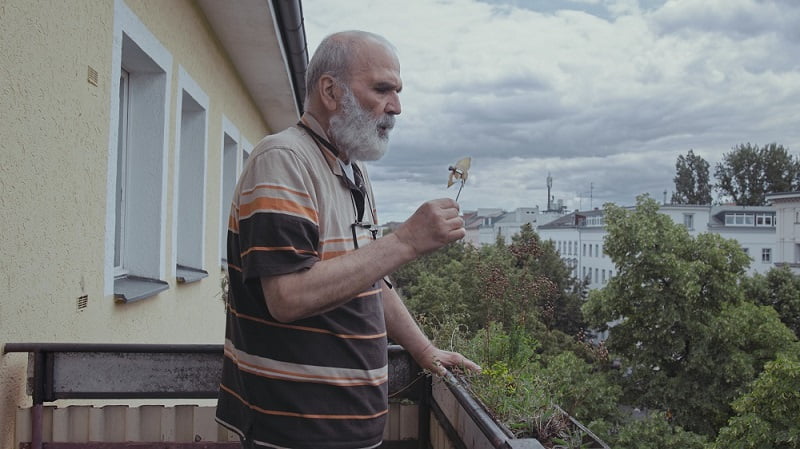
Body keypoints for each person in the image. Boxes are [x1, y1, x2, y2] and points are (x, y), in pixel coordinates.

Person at [216, 30, 481, 449]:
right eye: (382, 89)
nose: (396, 107)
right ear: (330, 90)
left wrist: (424, 350)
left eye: (397, 92)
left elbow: (369, 280)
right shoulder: (283, 160)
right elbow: (287, 297)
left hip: (348, 430)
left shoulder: (352, 171)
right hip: (293, 433)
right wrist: (406, 241)